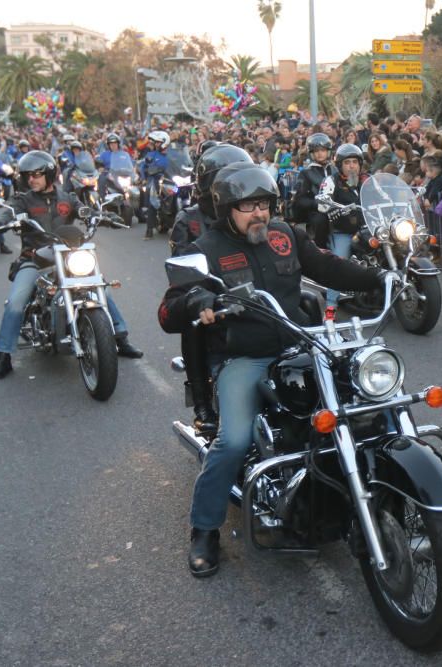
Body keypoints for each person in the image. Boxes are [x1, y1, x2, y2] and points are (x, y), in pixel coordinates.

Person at [157, 163, 383, 577]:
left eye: (263, 203)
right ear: (226, 209)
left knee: (369, 404)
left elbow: (330, 267)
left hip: (302, 345)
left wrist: (382, 277)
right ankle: (204, 529)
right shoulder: (204, 249)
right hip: (244, 356)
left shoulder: (286, 236)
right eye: (248, 206)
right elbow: (169, 308)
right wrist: (198, 301)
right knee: (234, 440)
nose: (258, 213)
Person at [0, 151, 142, 380]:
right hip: (34, 259)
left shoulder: (67, 198)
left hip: (69, 257)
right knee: (15, 303)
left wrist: (106, 217)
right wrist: (2, 218)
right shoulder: (23, 200)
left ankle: (120, 338)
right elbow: (6, 210)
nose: (32, 179)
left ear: (49, 174)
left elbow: (86, 211)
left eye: (37, 174)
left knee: (101, 288)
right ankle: (3, 355)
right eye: (28, 175)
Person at [170, 143, 254, 432]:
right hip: (215, 296)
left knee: (306, 300)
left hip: (254, 291)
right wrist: (204, 297)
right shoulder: (189, 221)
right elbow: (183, 276)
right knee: (193, 322)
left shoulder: (249, 213)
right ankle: (202, 401)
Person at [322, 143, 368, 320]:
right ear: (340, 164)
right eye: (347, 162)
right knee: (338, 263)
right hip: (344, 231)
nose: (351, 166)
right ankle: (330, 308)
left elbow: (383, 194)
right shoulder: (331, 181)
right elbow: (323, 200)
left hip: (368, 228)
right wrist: (327, 204)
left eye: (355, 162)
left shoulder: (367, 179)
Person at [289, 133, 335, 246]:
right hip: (317, 212)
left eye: (323, 150)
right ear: (312, 153)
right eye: (316, 151)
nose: (320, 153)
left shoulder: (335, 170)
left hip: (336, 209)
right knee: (320, 220)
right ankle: (321, 252)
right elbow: (299, 199)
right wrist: (316, 204)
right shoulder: (306, 173)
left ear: (328, 151)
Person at [141, 130, 171, 240]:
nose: (157, 144)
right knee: (152, 200)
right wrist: (145, 176)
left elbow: (180, 164)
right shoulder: (151, 154)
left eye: (159, 142)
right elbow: (144, 167)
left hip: (171, 181)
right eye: (156, 142)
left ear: (165, 142)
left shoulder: (172, 154)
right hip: (156, 181)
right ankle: (149, 230)